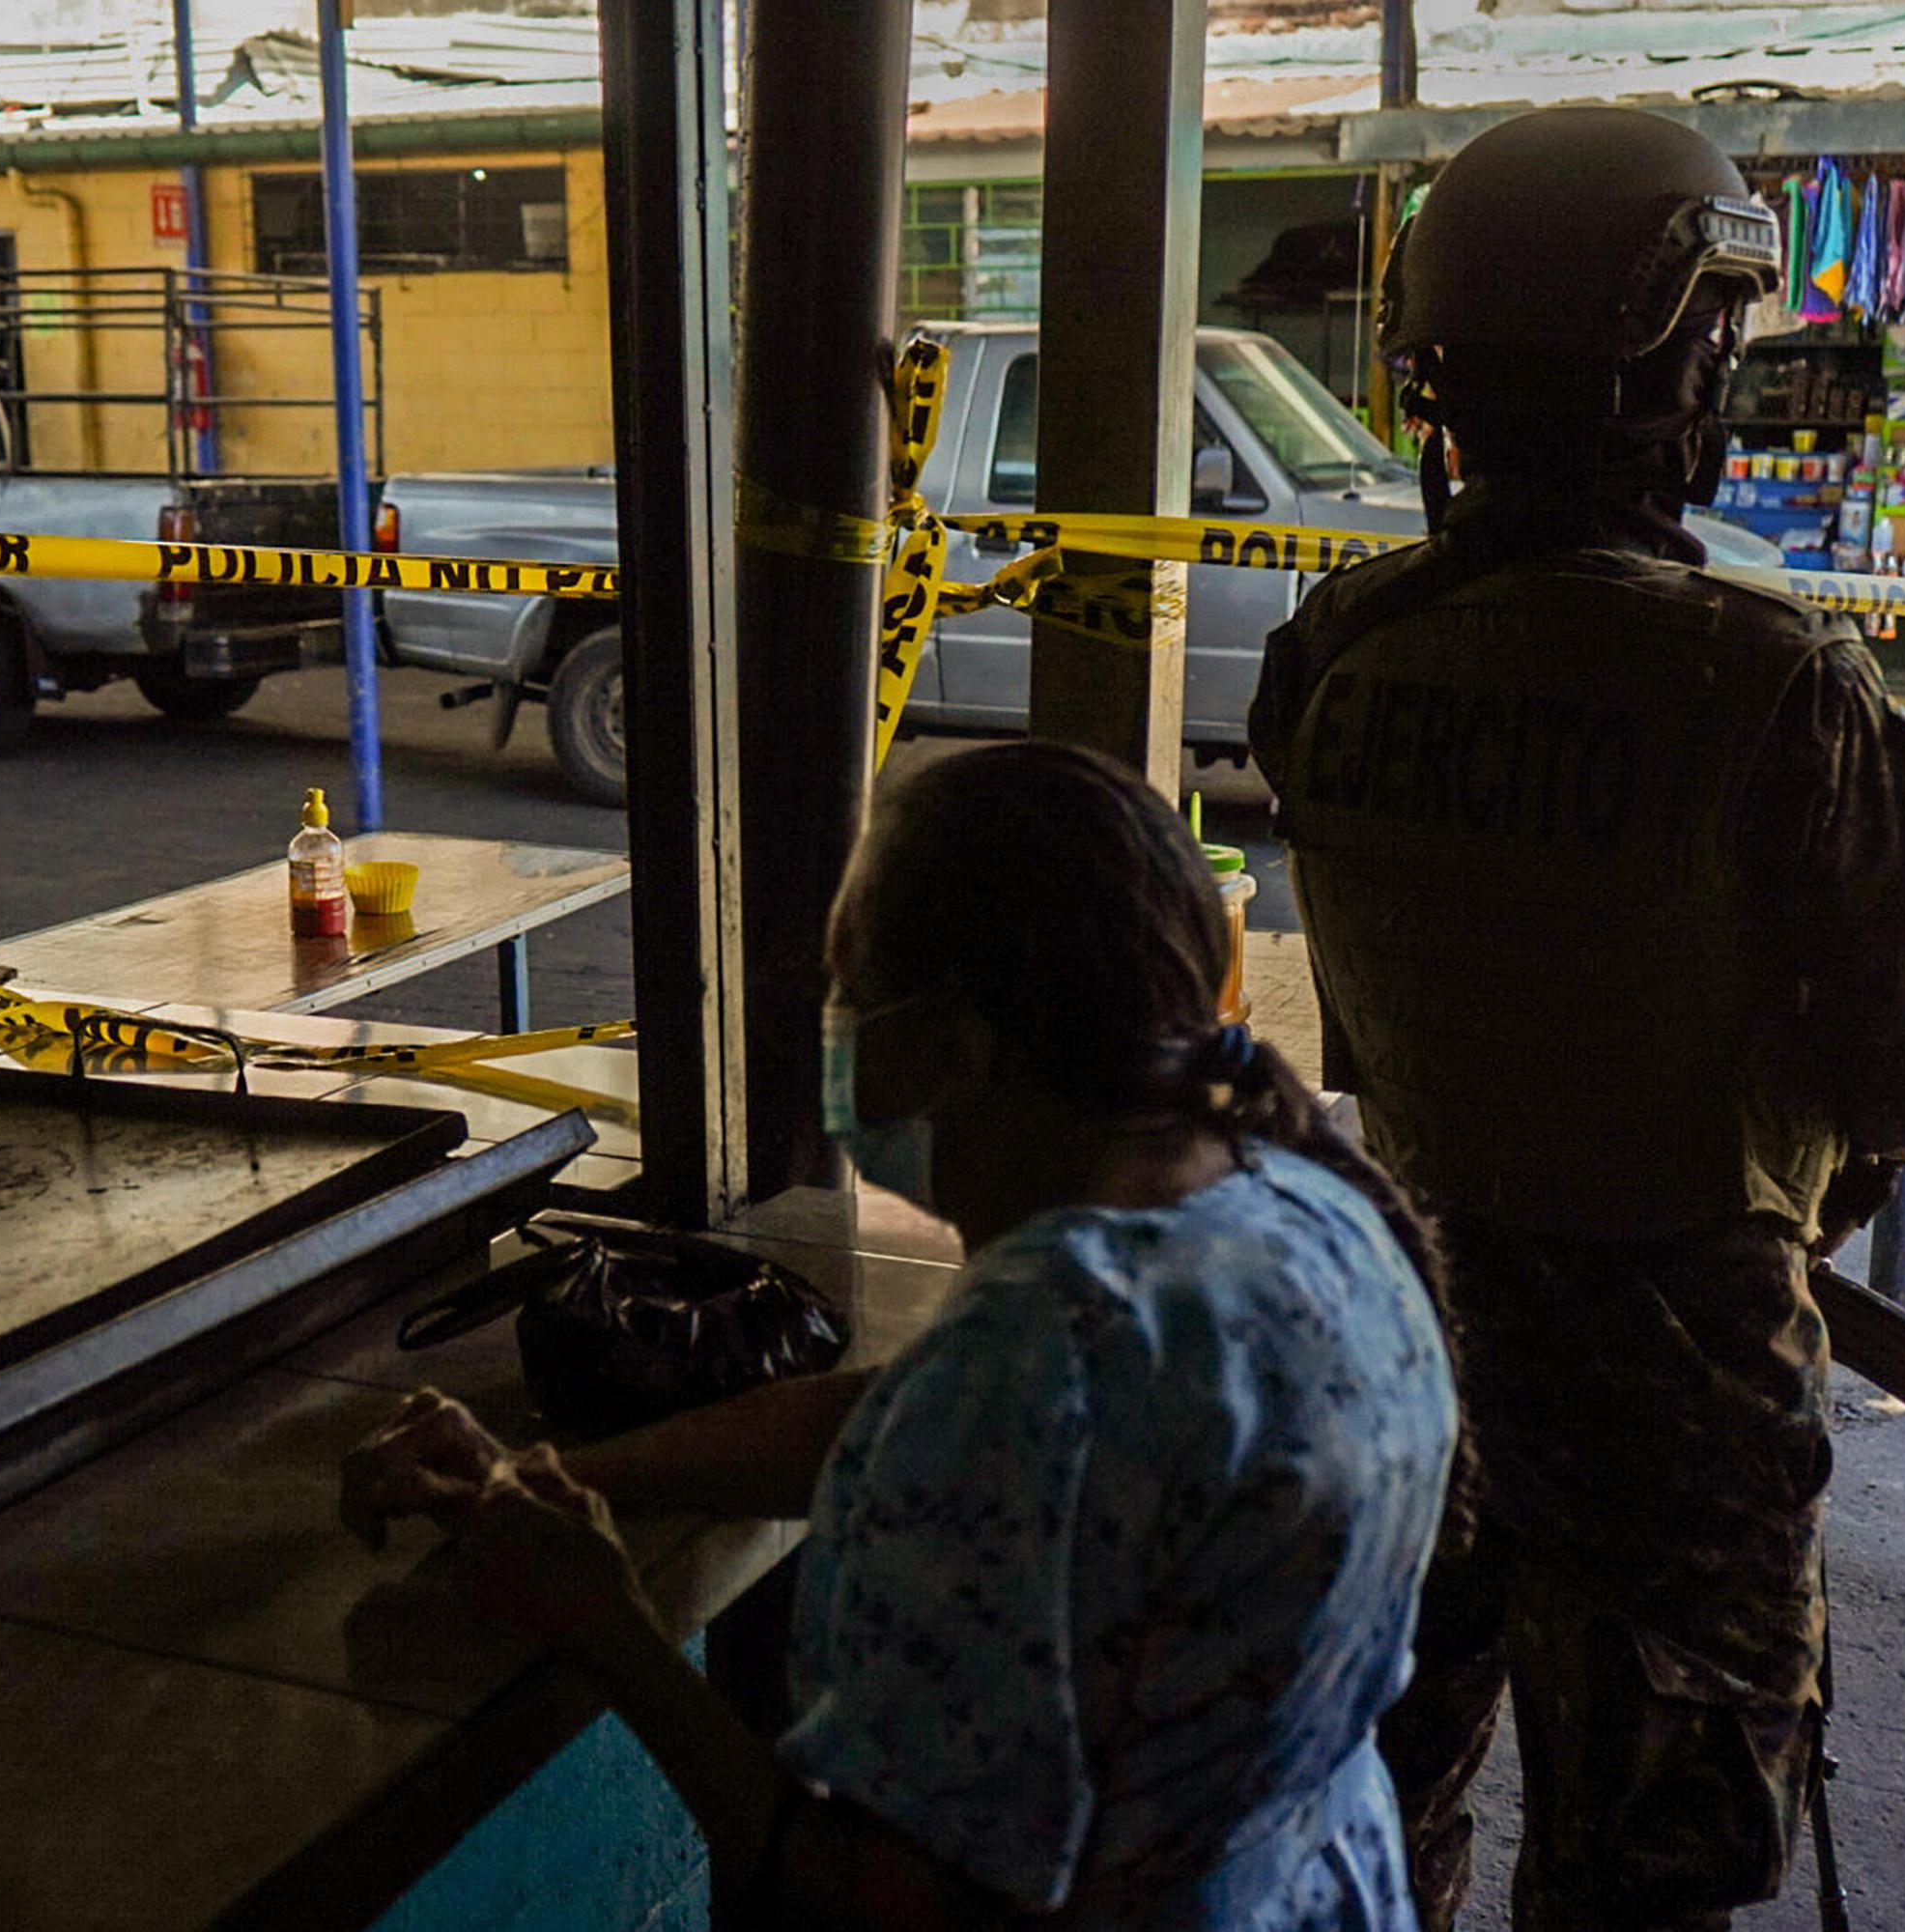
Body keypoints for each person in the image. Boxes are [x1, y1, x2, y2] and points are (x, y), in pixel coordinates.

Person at [1246, 107, 1905, 1932]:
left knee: (1378, 1811)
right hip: (1684, 1376)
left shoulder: (1330, 653)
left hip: (1408, 1325)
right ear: (1669, 359)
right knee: (1647, 1871)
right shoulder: (1774, 682)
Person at [343, 742, 1461, 1930]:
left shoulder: (1039, 1353)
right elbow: (921, 1426)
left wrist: (607, 1629)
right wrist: (563, 1478)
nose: (833, 1027)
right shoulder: (1307, 1209)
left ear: (958, 1043)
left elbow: (876, 1903)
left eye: (849, 990)